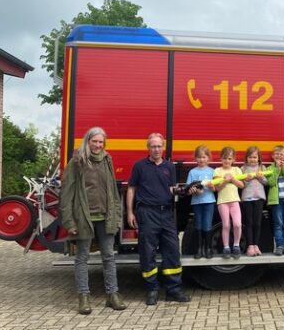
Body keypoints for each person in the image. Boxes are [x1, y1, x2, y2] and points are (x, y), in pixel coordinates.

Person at [60, 127, 126, 315]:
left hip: (105, 217)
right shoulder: (77, 162)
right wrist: (69, 222)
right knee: (82, 258)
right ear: (87, 141)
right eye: (94, 141)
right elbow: (66, 194)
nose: (98, 145)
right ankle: (83, 297)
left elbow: (113, 189)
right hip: (84, 218)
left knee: (109, 256)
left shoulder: (107, 160)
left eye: (100, 142)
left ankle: (112, 295)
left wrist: (117, 214)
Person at [126, 133, 190, 305]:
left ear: (163, 148)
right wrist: (130, 212)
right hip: (147, 213)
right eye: (152, 146)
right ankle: (152, 290)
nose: (156, 149)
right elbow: (131, 189)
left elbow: (171, 189)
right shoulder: (139, 166)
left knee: (172, 251)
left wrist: (185, 191)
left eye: (158, 146)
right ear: (148, 148)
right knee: (148, 252)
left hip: (167, 214)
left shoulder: (169, 166)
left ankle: (173, 290)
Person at [214, 146, 245, 259]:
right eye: (224, 158)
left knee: (237, 224)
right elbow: (217, 188)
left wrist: (232, 179)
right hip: (222, 202)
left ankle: (236, 246)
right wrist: (224, 181)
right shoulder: (218, 171)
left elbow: (242, 185)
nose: (227, 161)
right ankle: (226, 247)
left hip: (234, 201)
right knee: (226, 224)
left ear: (233, 160)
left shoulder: (236, 170)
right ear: (221, 159)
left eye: (229, 158)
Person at [185, 145, 216, 259]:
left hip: (209, 202)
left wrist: (212, 186)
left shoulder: (212, 171)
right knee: (198, 225)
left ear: (208, 158)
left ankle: (208, 248)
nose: (201, 159)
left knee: (207, 225)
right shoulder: (192, 172)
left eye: (203, 157)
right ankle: (199, 249)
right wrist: (193, 190)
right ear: (195, 158)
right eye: (199, 157)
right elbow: (188, 190)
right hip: (197, 203)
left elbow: (215, 188)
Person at [265, 145, 284, 256]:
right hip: (276, 201)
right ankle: (279, 246)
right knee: (278, 224)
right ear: (273, 156)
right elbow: (271, 183)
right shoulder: (269, 168)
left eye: (281, 154)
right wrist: (277, 170)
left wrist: (283, 169)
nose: (279, 156)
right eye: (277, 154)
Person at [241, 146, 267, 257]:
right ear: (246, 158)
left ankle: (256, 245)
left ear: (258, 158)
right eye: (250, 157)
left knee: (257, 223)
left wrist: (261, 178)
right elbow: (242, 185)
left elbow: (267, 183)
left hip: (259, 199)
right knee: (249, 223)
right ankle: (250, 246)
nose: (252, 159)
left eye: (255, 157)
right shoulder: (243, 168)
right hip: (247, 198)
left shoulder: (262, 167)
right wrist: (248, 179)